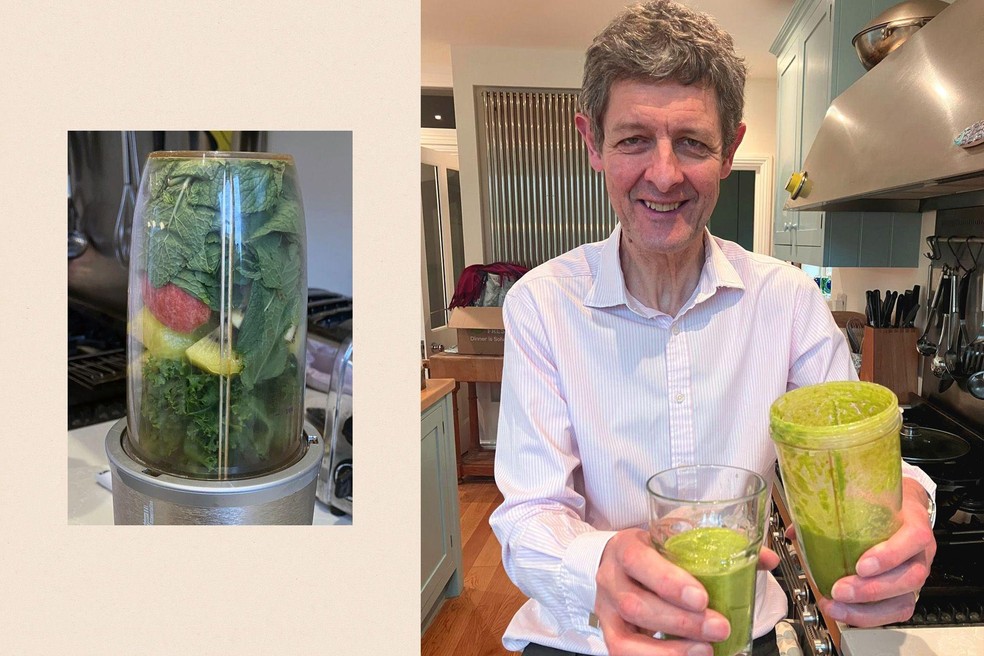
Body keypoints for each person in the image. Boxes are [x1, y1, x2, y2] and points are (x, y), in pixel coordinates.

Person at [488, 2, 937, 655]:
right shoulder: (541, 306)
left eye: (693, 142)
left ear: (729, 149)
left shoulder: (785, 300)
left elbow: (859, 461)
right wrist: (602, 567)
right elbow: (529, 515)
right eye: (634, 139)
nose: (664, 174)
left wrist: (908, 507)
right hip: (585, 633)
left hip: (738, 632)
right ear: (592, 143)